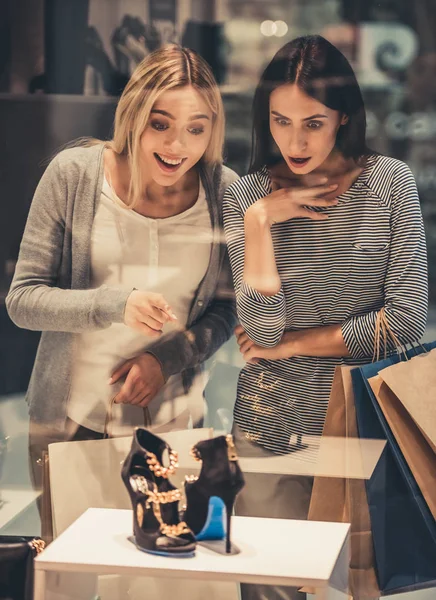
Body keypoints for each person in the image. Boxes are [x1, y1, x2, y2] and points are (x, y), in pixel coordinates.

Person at [223, 35, 427, 600]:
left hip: (360, 425)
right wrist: (261, 223)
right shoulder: (250, 196)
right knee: (270, 590)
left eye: (312, 123)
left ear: (342, 117)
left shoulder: (388, 185)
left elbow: (406, 323)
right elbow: (260, 329)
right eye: (281, 121)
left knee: (354, 588)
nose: (294, 140)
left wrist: (293, 345)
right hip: (269, 426)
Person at [6, 44, 238, 537]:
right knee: (67, 580)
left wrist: (166, 359)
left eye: (196, 129)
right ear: (132, 115)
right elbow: (23, 300)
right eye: (160, 124)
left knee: (162, 583)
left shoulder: (223, 192)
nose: (178, 145)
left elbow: (225, 310)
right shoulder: (74, 175)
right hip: (70, 424)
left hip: (175, 426)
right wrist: (116, 304)